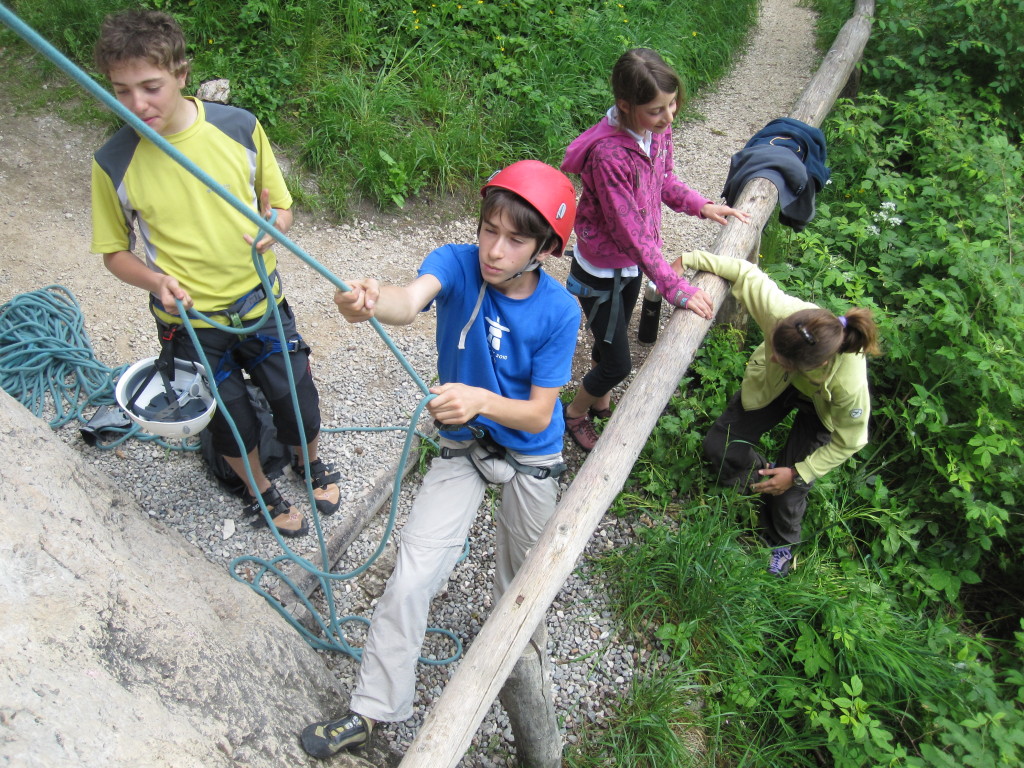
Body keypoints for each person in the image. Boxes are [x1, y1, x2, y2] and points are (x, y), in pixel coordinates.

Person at [300, 160, 579, 765]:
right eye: (489, 230)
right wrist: (371, 303)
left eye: (515, 239)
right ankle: (371, 710)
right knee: (410, 576)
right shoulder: (455, 263)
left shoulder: (559, 312)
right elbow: (409, 300)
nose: (494, 250)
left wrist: (478, 398)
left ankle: (529, 697)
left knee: (522, 597)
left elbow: (537, 416)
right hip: (463, 444)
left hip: (529, 454)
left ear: (544, 249)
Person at [90, 9, 340, 538]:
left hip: (260, 302)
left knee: (297, 396)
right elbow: (115, 252)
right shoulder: (113, 160)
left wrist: (276, 227)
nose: (137, 104)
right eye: (121, 90)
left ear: (182, 72)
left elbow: (283, 209)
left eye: (151, 86)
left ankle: (308, 461)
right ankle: (262, 493)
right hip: (190, 322)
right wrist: (156, 281)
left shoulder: (239, 128)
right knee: (229, 420)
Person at [559, 48, 750, 451]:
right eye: (656, 110)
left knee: (609, 338)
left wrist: (701, 204)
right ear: (625, 105)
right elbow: (630, 232)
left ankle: (600, 399)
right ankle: (575, 412)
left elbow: (663, 181)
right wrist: (673, 286)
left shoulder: (656, 133)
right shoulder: (609, 156)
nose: (669, 117)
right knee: (618, 361)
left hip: (628, 268)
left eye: (672, 103)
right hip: (602, 271)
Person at [676, 250, 881, 576]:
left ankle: (780, 543)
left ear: (819, 364)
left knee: (789, 494)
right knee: (719, 447)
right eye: (775, 348)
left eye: (781, 358)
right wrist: (689, 259)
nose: (773, 357)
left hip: (820, 408)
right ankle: (763, 475)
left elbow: (851, 440)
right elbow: (743, 272)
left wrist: (799, 473)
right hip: (774, 387)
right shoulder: (783, 313)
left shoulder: (848, 383)